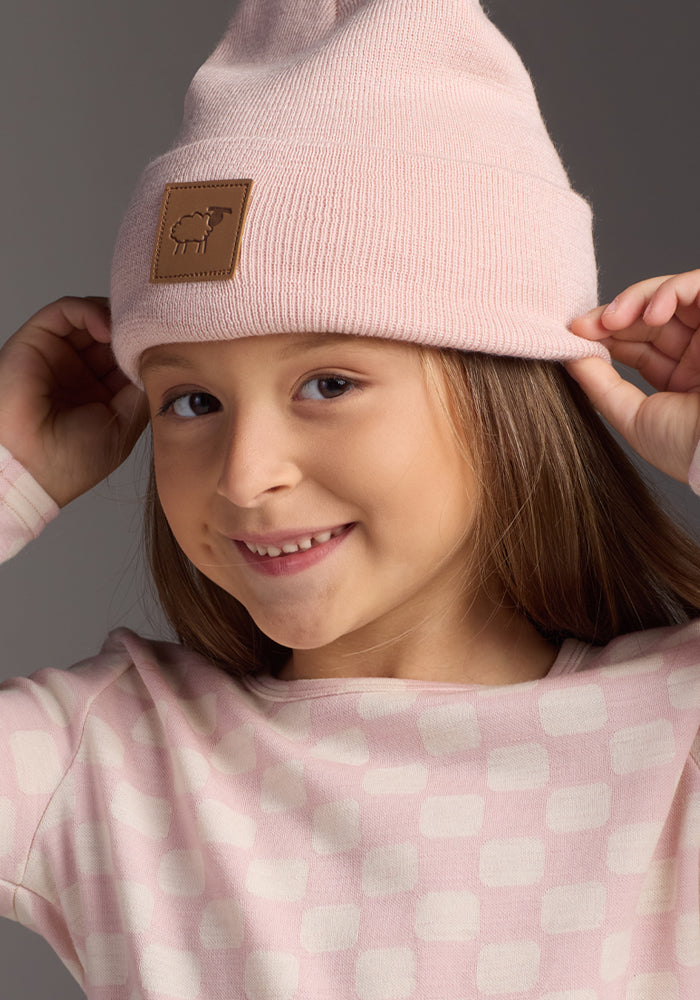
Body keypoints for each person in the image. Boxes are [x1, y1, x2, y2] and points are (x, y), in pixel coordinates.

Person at [0, 1, 698, 997]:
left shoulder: (675, 733)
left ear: (507, 384)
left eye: (326, 384)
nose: (246, 475)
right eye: (192, 400)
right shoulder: (111, 761)